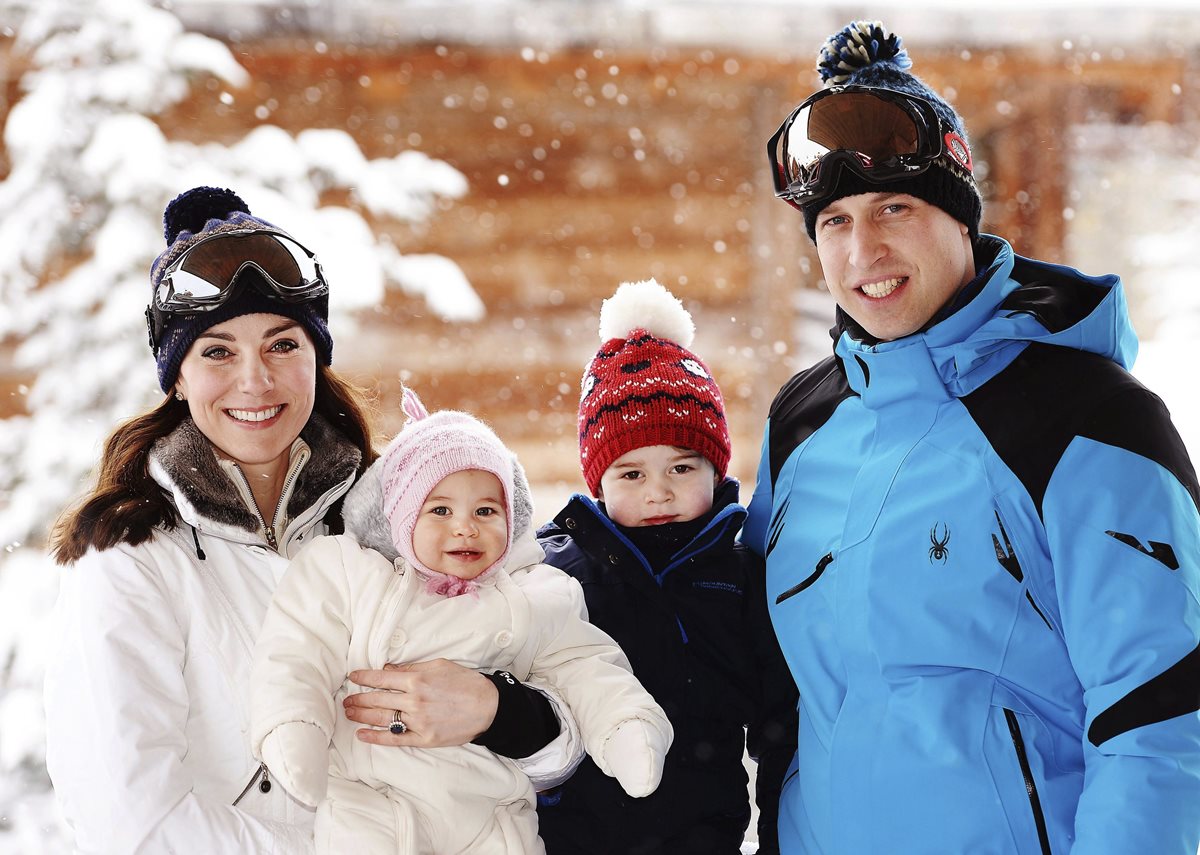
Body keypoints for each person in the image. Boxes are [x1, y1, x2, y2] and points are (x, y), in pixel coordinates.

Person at [744, 19, 1200, 854]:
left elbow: (1162, 716)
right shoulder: (802, 425)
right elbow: (774, 697)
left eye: (895, 207)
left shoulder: (1086, 419)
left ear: (961, 220)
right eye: (833, 222)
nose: (864, 248)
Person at [43, 186, 582, 853]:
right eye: (217, 351)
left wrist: (502, 713)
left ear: (315, 355)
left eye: (281, 344)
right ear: (176, 376)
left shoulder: (401, 513)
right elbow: (130, 816)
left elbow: (564, 731)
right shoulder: (130, 556)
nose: (254, 380)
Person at [250, 388, 673, 854]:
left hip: (492, 816)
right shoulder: (352, 574)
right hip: (373, 805)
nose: (465, 527)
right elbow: (296, 652)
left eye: (486, 511)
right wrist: (294, 726)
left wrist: (625, 725)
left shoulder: (534, 594)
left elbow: (588, 668)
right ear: (402, 518)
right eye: (440, 510)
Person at [536, 279, 798, 855]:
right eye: (631, 474)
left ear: (715, 467)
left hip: (702, 835)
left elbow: (781, 726)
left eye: (681, 468)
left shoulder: (741, 573)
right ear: (598, 483)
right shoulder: (556, 572)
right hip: (572, 837)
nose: (658, 493)